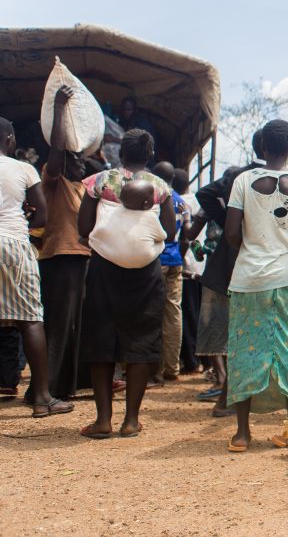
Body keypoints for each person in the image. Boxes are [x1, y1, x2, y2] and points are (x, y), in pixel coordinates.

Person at [0, 117, 74, 419]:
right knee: (30, 318)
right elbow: (41, 216)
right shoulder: (24, 168)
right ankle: (42, 399)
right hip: (14, 242)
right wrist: (25, 214)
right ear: (11, 140)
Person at [223, 119, 288, 452]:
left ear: (262, 147)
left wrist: (252, 249)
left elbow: (232, 232)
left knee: (245, 350)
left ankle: (242, 434)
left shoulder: (243, 181)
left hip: (249, 278)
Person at [76, 129, 176, 439]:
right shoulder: (161, 187)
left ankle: (103, 420)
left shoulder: (100, 182)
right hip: (146, 273)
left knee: (102, 340)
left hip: (104, 270)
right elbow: (170, 233)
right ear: (149, 155)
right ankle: (131, 420)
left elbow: (83, 226)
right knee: (141, 341)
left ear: (121, 152)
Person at [194, 132, 264, 415]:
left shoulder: (239, 175)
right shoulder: (282, 180)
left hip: (232, 260)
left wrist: (227, 221)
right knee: (243, 334)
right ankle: (227, 399)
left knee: (238, 333)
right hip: (250, 263)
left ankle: (231, 395)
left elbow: (206, 194)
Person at [37, 86, 92, 401]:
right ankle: (48, 388)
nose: (81, 165)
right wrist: (59, 108)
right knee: (58, 323)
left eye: (83, 160)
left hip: (81, 260)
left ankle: (71, 384)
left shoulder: (83, 189)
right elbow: (56, 152)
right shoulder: (54, 182)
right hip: (60, 259)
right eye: (76, 159)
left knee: (77, 323)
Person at [151, 161, 189, 383]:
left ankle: (153, 368)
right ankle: (172, 367)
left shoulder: (153, 198)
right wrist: (179, 256)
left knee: (152, 313)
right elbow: (185, 237)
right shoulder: (183, 203)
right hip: (175, 260)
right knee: (174, 313)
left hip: (155, 260)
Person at [174, 168, 202, 374]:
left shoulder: (178, 202)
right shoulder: (199, 199)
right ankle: (201, 361)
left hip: (186, 265)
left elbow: (185, 235)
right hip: (202, 266)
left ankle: (191, 360)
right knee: (199, 314)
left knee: (188, 314)